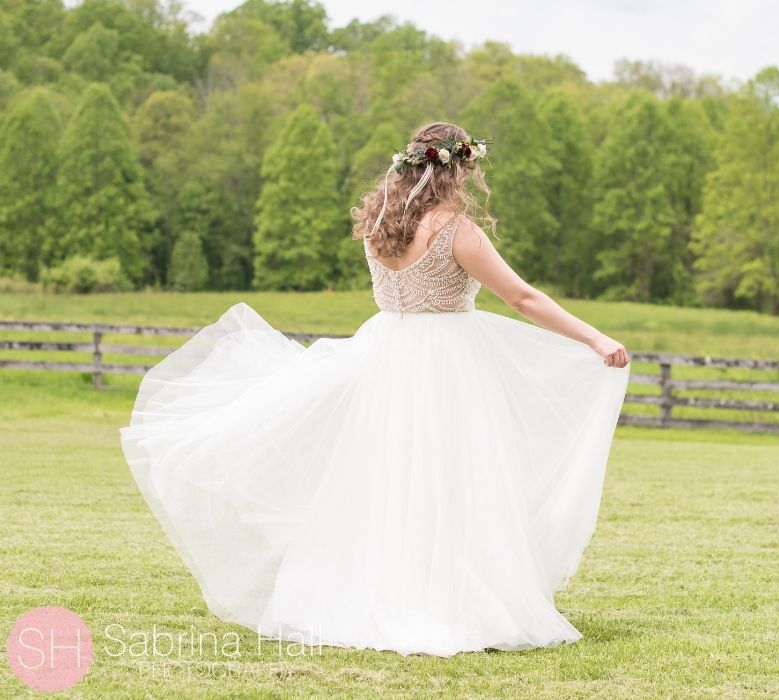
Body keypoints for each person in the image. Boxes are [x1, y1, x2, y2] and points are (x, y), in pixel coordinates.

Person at [118, 122, 632, 657]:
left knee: (385, 480)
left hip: (387, 355)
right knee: (452, 482)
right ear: (458, 169)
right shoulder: (456, 230)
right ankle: (450, 603)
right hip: (447, 363)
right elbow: (522, 298)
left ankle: (381, 593)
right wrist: (595, 338)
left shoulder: (380, 224)